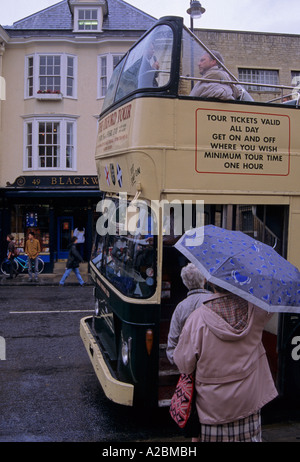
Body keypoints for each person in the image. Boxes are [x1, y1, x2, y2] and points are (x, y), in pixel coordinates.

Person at [173, 287, 278, 442]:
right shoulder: (257, 312)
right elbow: (271, 302)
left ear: (211, 283)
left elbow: (184, 364)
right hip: (248, 406)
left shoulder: (197, 319)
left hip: (212, 412)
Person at [166, 263, 213, 365]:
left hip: (188, 364)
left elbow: (173, 341)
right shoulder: (215, 301)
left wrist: (182, 365)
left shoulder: (180, 307)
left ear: (185, 283)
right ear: (204, 280)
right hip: (212, 363)